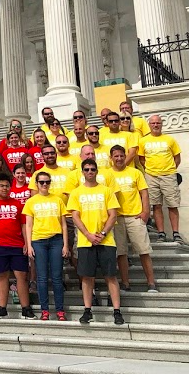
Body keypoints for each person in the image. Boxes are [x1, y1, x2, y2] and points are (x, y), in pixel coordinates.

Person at [67, 158, 123, 325]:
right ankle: (87, 310)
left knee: (110, 276)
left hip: (106, 240)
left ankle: (117, 311)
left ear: (97, 171)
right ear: (82, 172)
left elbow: (113, 214)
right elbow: (75, 216)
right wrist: (88, 234)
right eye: (87, 169)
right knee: (86, 277)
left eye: (92, 169)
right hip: (85, 241)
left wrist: (103, 233)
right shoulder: (76, 192)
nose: (90, 172)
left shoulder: (106, 191)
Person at [105, 145, 158, 292]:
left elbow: (144, 193)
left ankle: (151, 283)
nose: (119, 158)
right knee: (121, 253)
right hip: (117, 218)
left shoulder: (135, 173)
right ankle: (126, 283)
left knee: (143, 250)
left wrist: (146, 212)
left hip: (135, 216)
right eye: (116, 156)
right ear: (111, 158)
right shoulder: (107, 175)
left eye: (122, 155)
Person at [0, 173, 33, 319]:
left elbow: (23, 225)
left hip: (17, 245)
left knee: (21, 276)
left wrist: (26, 243)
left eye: (7, 185)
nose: (5, 188)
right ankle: (2, 308)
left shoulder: (17, 204)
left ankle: (26, 308)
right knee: (2, 276)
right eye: (1, 186)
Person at [23, 171, 69, 321]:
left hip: (56, 240)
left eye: (47, 182)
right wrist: (29, 245)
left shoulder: (57, 200)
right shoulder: (31, 201)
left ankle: (60, 310)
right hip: (38, 241)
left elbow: (64, 224)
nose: (44, 184)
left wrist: (65, 245)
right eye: (41, 182)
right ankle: (45, 310)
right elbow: (28, 225)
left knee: (56, 277)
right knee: (41, 278)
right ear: (36, 184)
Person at [137, 114, 183, 242]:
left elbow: (177, 158)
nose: (155, 125)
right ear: (149, 125)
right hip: (151, 176)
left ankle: (176, 233)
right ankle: (161, 233)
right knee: (156, 205)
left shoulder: (170, 139)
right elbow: (142, 159)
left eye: (158, 123)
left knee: (172, 205)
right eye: (153, 123)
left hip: (169, 175)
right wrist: (151, 170)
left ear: (161, 124)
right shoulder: (143, 141)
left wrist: (169, 169)